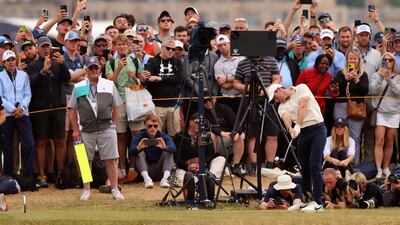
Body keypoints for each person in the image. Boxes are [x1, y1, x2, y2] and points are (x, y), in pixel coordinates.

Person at [68, 56, 124, 201]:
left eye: (96, 67)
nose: (94, 70)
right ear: (85, 70)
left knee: (111, 159)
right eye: (91, 68)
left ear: (100, 69)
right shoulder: (79, 87)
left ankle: (114, 188)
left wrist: (113, 123)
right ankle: (86, 190)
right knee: (84, 159)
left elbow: (117, 105)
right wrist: (75, 129)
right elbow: (72, 109)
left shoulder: (108, 84)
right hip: (85, 128)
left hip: (106, 127)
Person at [268, 83, 326, 213]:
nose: (276, 101)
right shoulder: (281, 106)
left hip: (318, 129)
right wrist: (290, 129)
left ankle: (318, 203)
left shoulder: (301, 88)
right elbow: (286, 117)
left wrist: (298, 126)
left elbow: (303, 106)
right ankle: (306, 200)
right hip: (303, 133)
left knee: (314, 165)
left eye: (275, 97)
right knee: (304, 168)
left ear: (279, 90)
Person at [27, 36, 71, 188]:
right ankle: (41, 175)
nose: (46, 49)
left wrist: (63, 64)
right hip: (40, 109)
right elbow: (31, 83)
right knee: (41, 142)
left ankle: (60, 173)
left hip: (58, 107)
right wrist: (44, 71)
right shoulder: (33, 65)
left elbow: (67, 79)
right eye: (43, 46)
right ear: (38, 48)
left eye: (48, 46)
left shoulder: (58, 63)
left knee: (60, 141)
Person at [105, 34, 142, 182]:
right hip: (118, 101)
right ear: (115, 47)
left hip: (134, 99)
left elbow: (141, 81)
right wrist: (119, 69)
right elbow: (109, 82)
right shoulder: (111, 63)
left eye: (124, 45)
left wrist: (135, 78)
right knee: (120, 136)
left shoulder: (135, 61)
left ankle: (133, 167)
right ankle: (121, 167)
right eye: (119, 45)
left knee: (135, 135)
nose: (121, 47)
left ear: (128, 46)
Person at [233, 55, 280, 171]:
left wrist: (267, 89)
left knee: (272, 134)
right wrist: (249, 88)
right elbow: (236, 83)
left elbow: (277, 79)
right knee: (252, 135)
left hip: (268, 99)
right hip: (250, 99)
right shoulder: (243, 63)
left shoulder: (271, 60)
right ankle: (254, 166)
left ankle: (269, 165)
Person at [172, 113, 225, 202]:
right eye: (196, 122)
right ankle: (195, 183)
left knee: (221, 159)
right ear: (190, 122)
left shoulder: (205, 136)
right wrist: (187, 167)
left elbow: (211, 154)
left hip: (203, 168)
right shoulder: (179, 137)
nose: (199, 125)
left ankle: (209, 179)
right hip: (186, 168)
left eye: (201, 123)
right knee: (181, 175)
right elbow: (176, 157)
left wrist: (203, 164)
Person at [0, 50, 35, 179]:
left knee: (29, 144)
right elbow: (1, 97)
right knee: (7, 146)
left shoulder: (23, 75)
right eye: (8, 60)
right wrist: (13, 109)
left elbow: (27, 94)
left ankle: (26, 175)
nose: (11, 62)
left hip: (23, 113)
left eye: (13, 59)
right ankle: (9, 175)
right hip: (7, 115)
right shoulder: (0, 76)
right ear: (3, 63)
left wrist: (21, 108)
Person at [331, 49, 369, 164]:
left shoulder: (363, 74)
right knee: (339, 135)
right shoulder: (341, 73)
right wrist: (345, 79)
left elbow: (365, 91)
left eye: (355, 58)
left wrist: (356, 79)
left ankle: (354, 163)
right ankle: (339, 162)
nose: (352, 60)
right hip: (341, 106)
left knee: (355, 137)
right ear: (347, 60)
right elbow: (334, 88)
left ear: (359, 61)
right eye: (350, 58)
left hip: (356, 108)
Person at [141, 37, 184, 136]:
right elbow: (148, 80)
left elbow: (179, 79)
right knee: (156, 134)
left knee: (175, 134)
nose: (171, 51)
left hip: (173, 105)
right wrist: (143, 78)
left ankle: (174, 152)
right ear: (162, 48)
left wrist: (160, 78)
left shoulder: (177, 62)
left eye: (173, 49)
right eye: (168, 48)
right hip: (156, 105)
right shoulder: (152, 61)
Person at [370, 53, 400, 178]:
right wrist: (381, 78)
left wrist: (389, 80)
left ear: (393, 62)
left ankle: (386, 167)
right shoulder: (376, 75)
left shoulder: (398, 77)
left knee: (390, 142)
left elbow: (398, 91)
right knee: (379, 141)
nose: (387, 62)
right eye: (384, 60)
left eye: (390, 60)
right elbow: (373, 91)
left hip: (394, 112)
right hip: (381, 111)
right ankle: (378, 169)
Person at [130, 115, 176, 188]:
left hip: (160, 169)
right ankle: (147, 179)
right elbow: (131, 151)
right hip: (145, 169)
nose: (152, 128)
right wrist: (138, 148)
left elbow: (173, 148)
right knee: (139, 152)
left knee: (168, 151)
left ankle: (165, 179)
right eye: (150, 126)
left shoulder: (163, 136)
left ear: (158, 126)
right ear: (145, 126)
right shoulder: (140, 136)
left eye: (155, 126)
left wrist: (165, 147)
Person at [213, 34, 243, 112]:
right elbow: (225, 86)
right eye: (220, 45)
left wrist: (226, 79)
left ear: (229, 44)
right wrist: (240, 81)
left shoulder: (242, 58)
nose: (223, 47)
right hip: (227, 99)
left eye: (225, 44)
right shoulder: (217, 65)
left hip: (242, 98)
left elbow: (246, 77)